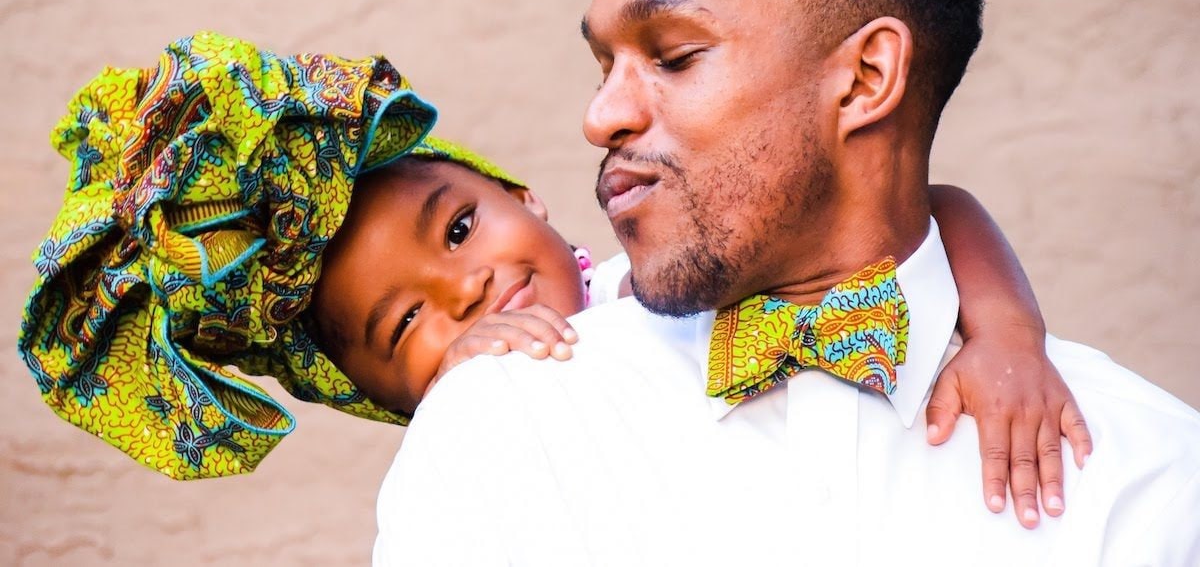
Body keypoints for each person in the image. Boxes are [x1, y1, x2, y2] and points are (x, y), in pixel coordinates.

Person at [374, 0, 1200, 566]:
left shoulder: (1144, 478)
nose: (601, 117)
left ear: (866, 78)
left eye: (673, 55)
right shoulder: (506, 428)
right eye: (604, 67)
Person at [23, 33, 1082, 519]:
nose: (470, 291)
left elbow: (933, 207)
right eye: (408, 329)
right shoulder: (506, 445)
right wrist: (473, 384)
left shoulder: (675, 271)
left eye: (458, 233)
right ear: (388, 400)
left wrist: (1005, 336)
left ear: (523, 196)